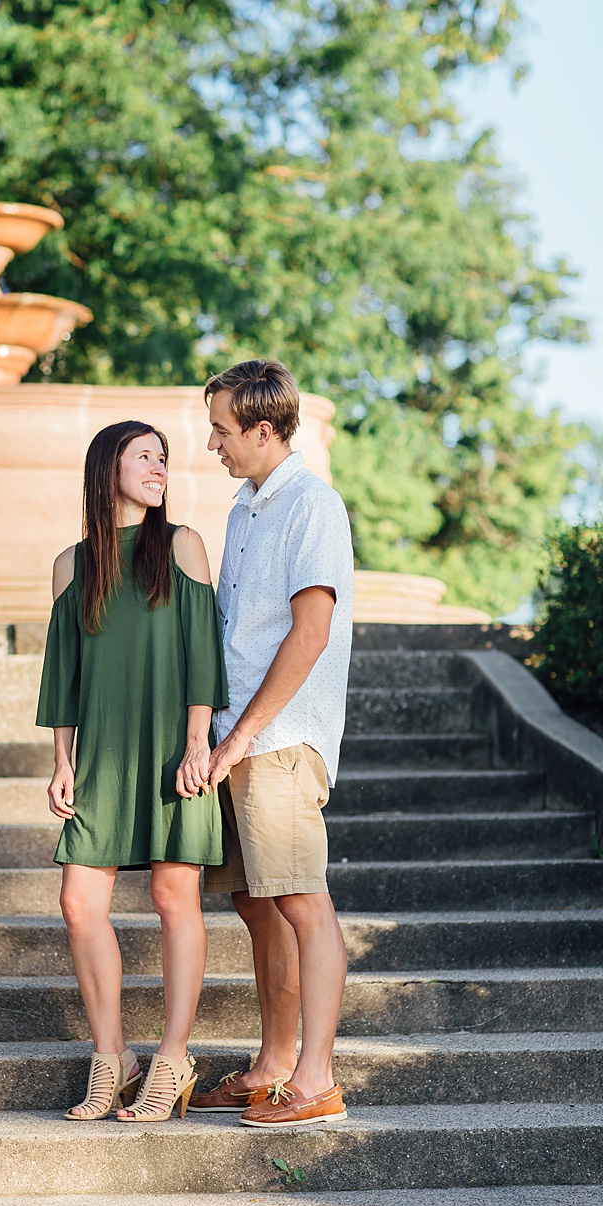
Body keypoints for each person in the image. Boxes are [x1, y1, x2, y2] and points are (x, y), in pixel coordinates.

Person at [36, 419, 228, 1124]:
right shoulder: (71, 565)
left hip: (174, 750)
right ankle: (112, 1057)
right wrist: (62, 760)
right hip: (102, 758)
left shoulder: (181, 546)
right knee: (78, 904)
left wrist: (199, 741)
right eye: (144, 455)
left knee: (175, 900)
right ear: (106, 465)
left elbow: (203, 651)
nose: (159, 466)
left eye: (165, 458)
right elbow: (64, 673)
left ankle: (173, 1057)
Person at [188, 359, 354, 1128]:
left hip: (280, 739)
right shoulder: (243, 508)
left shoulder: (312, 505)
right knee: (258, 906)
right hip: (235, 738)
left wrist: (245, 735)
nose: (211, 444)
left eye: (222, 430)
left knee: (301, 902)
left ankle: (316, 1081)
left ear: (264, 429)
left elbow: (309, 633)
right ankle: (273, 1064)